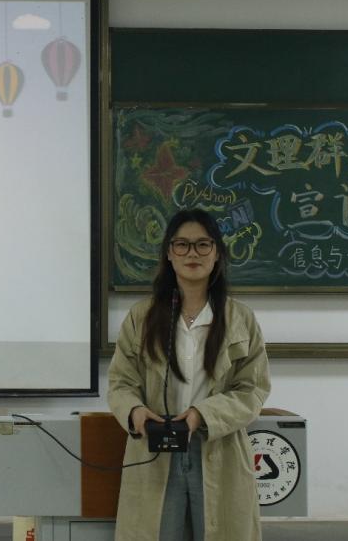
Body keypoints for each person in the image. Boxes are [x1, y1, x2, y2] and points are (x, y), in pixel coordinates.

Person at [108, 208, 270, 541]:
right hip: (154, 451)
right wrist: (135, 412)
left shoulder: (240, 319)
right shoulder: (141, 316)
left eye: (202, 244)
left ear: (217, 253)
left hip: (216, 446)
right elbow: (121, 382)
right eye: (181, 244)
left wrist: (202, 415)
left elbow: (252, 390)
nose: (192, 253)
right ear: (169, 253)